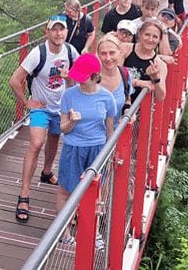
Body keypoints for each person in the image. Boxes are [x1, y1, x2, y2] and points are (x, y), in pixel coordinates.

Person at [9, 15, 78, 223]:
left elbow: (82, 79)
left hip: (62, 107)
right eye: (54, 29)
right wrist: (26, 102)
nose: (58, 33)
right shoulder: (38, 53)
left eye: (62, 29)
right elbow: (14, 80)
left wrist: (70, 78)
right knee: (36, 143)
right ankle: (24, 194)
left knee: (55, 138)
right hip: (41, 107)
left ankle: (47, 172)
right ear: (46, 32)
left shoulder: (71, 51)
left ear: (66, 32)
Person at [56, 54, 116, 244]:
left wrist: (109, 151)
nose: (78, 80)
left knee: (95, 191)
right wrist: (72, 122)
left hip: (97, 148)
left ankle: (94, 231)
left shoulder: (106, 97)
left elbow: (109, 128)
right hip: (73, 147)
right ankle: (63, 233)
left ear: (94, 75)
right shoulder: (69, 95)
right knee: (65, 190)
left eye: (83, 76)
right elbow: (62, 128)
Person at [123, 19, 168, 103]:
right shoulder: (126, 49)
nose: (150, 39)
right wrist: (139, 83)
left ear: (159, 40)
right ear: (140, 34)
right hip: (119, 103)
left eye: (155, 37)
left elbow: (160, 97)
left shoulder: (160, 64)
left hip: (140, 111)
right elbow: (112, 76)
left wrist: (155, 78)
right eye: (147, 35)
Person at [96, 34, 133, 123]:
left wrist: (127, 111)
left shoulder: (125, 74)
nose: (108, 58)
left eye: (112, 53)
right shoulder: (91, 77)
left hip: (117, 132)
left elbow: (127, 98)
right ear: (98, 55)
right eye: (103, 54)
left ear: (120, 53)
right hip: (93, 135)